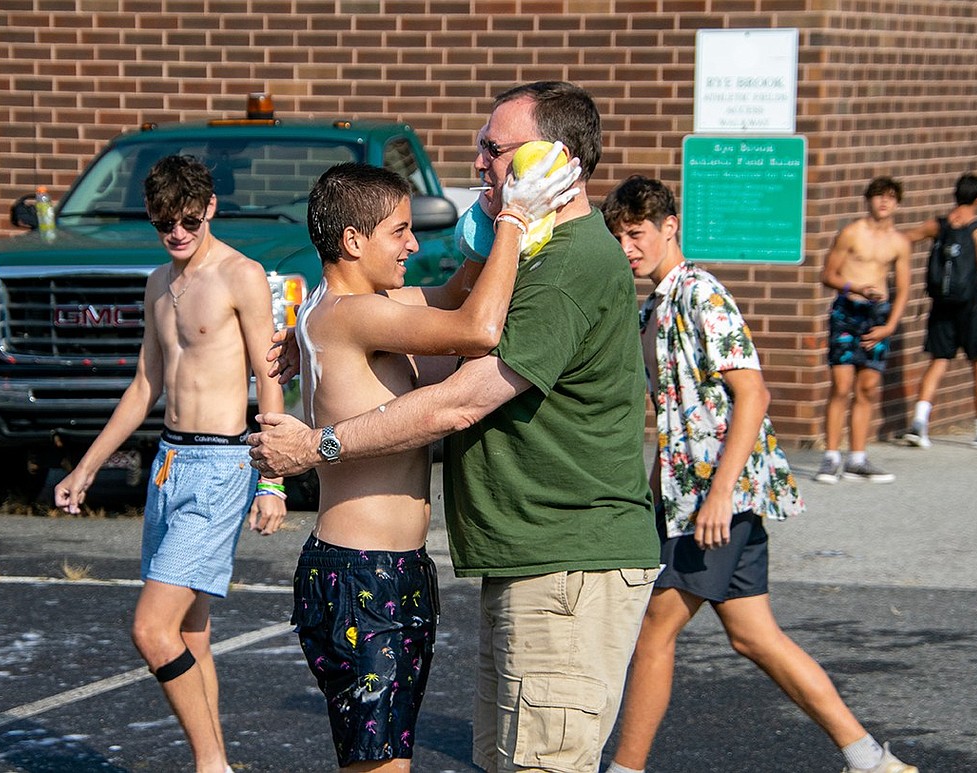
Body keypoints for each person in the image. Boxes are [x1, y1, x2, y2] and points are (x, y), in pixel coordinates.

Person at [250, 81, 661, 773]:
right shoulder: (531, 257)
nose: (477, 163)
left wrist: (319, 440)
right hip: (492, 563)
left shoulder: (565, 266)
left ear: (551, 160)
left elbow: (459, 393)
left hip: (568, 562)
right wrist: (321, 334)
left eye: (494, 149)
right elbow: (431, 318)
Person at [600, 175, 918, 773]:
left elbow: (754, 393)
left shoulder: (701, 294)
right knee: (753, 636)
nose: (626, 248)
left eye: (636, 234)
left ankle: (626, 769)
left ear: (670, 227)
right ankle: (871, 759)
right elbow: (677, 417)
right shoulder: (655, 305)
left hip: (717, 500)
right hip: (694, 498)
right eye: (617, 236)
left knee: (654, 630)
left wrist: (719, 496)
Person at [289, 154, 580, 772]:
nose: (413, 244)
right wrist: (514, 219)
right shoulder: (358, 313)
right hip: (364, 577)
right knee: (382, 767)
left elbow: (452, 293)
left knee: (384, 759)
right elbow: (476, 328)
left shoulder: (337, 307)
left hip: (378, 572)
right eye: (399, 231)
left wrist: (482, 215)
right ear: (352, 240)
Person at [54, 154, 287, 773]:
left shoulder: (241, 275)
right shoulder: (159, 282)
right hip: (167, 465)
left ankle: (211, 767)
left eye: (188, 219)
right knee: (189, 632)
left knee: (151, 630)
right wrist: (87, 467)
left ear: (210, 207)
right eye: (165, 223)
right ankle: (215, 764)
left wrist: (271, 479)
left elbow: (270, 378)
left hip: (222, 466)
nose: (178, 233)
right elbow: (143, 386)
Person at [900, 172, 977, 449]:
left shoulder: (937, 226)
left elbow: (904, 239)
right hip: (972, 305)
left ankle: (919, 423)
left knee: (938, 360)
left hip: (941, 304)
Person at [816, 176, 912, 484]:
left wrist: (890, 326)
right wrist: (855, 287)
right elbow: (828, 274)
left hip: (877, 316)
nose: (884, 202)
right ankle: (831, 457)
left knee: (868, 387)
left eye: (890, 197)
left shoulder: (899, 242)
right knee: (841, 386)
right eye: (878, 196)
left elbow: (905, 288)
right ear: (868, 199)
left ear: (897, 202)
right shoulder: (852, 233)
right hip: (848, 311)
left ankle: (857, 458)